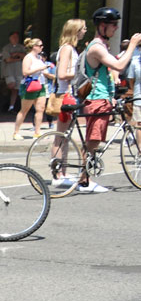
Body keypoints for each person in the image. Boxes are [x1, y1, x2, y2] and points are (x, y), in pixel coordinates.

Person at [78, 7, 141, 193]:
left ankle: (86, 176)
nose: (115, 28)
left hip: (103, 98)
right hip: (96, 99)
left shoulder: (103, 46)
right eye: (113, 25)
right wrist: (132, 45)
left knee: (94, 140)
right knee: (93, 140)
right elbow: (120, 65)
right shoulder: (96, 47)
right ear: (102, 25)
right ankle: (84, 180)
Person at [48, 19, 86, 191]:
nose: (85, 31)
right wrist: (78, 73)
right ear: (75, 30)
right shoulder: (67, 49)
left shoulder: (70, 49)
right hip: (65, 95)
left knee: (65, 136)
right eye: (83, 28)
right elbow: (62, 73)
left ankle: (62, 171)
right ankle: (57, 174)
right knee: (60, 136)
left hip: (69, 95)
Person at [13, 38, 49, 140]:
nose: (42, 47)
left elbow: (43, 72)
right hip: (29, 85)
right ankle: (16, 132)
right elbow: (25, 72)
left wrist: (51, 74)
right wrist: (40, 69)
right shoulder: (28, 58)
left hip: (40, 84)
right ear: (34, 46)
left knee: (40, 109)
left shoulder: (39, 58)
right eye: (40, 45)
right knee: (24, 110)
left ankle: (37, 132)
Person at [1, 31, 26, 112]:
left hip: (19, 72)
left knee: (17, 89)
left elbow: (25, 56)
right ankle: (5, 103)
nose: (15, 39)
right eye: (13, 37)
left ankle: (12, 107)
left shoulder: (21, 47)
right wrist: (18, 58)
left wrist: (17, 54)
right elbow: (8, 59)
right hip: (9, 72)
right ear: (10, 38)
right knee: (12, 85)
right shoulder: (6, 48)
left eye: (17, 37)